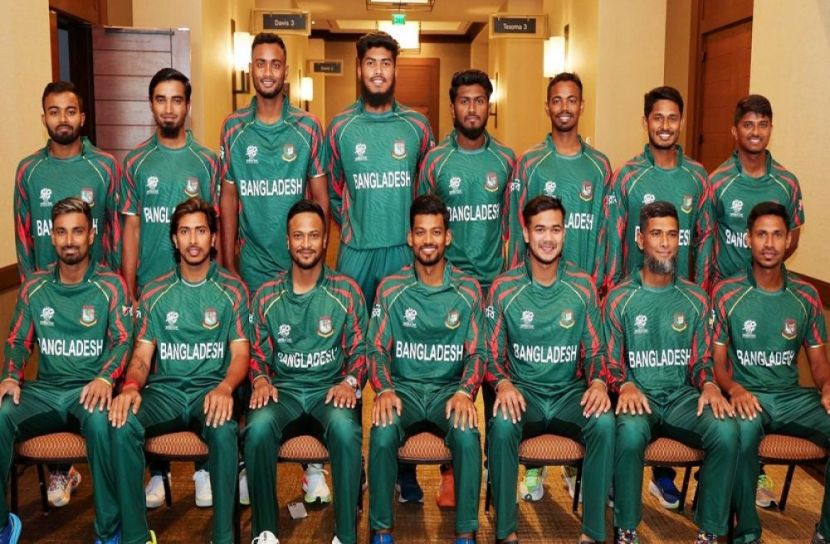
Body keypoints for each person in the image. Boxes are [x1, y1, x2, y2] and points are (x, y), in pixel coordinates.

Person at [219, 31, 330, 497]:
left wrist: (323, 261)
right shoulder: (232, 127)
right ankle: (250, 461)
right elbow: (228, 199)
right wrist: (227, 263)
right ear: (251, 70)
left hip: (300, 269)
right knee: (250, 367)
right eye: (260, 63)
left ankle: (314, 466)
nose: (267, 72)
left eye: (275, 64)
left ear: (286, 71)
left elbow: (321, 199)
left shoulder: (307, 127)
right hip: (251, 269)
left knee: (308, 359)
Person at [327, 30, 435, 503]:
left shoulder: (417, 127)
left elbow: (427, 191)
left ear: (395, 69)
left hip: (403, 253)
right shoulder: (340, 127)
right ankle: (354, 465)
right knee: (349, 356)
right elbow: (332, 191)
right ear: (359, 68)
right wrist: (354, 224)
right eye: (370, 62)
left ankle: (403, 468)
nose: (377, 71)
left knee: (406, 358)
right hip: (356, 253)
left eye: (386, 63)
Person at [109, 197, 250, 544]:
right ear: (174, 239)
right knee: (122, 422)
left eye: (200, 231)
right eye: (185, 232)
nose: (193, 240)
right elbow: (142, 357)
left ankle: (224, 537)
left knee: (223, 429)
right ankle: (136, 537)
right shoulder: (155, 292)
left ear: (213, 238)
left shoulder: (233, 290)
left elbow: (240, 355)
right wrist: (130, 386)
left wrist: (225, 388)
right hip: (165, 393)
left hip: (210, 391)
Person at [13, 81, 122, 505]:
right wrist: (32, 293)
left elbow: (113, 232)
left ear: (82, 117)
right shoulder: (28, 170)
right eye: (54, 111)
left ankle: (111, 484)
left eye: (70, 110)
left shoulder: (105, 167)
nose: (63, 119)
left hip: (95, 292)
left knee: (94, 380)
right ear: (44, 117)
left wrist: (114, 288)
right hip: (47, 295)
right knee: (53, 374)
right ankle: (60, 469)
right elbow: (23, 235)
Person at [0, 197, 132, 544]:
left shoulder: (111, 285)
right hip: (45, 392)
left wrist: (105, 377)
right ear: (52, 236)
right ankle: (2, 526)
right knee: (1, 414)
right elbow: (18, 341)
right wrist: (11, 375)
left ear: (91, 235)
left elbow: (123, 340)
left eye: (77, 231)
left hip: (89, 391)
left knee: (103, 421)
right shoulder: (35, 287)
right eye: (61, 232)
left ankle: (109, 531)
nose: (69, 240)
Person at [605, 201, 737, 544]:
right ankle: (626, 528)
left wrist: (709, 385)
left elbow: (701, 361)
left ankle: (710, 530)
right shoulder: (619, 299)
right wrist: (624, 384)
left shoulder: (696, 298)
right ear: (640, 239)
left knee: (726, 431)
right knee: (629, 434)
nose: (665, 243)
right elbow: (610, 363)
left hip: (682, 399)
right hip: (639, 398)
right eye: (656, 234)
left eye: (672, 235)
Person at [486, 195, 614, 544]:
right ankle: (506, 532)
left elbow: (596, 351)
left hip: (568, 395)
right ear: (526, 234)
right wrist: (503, 384)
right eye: (540, 229)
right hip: (523, 394)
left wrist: (599, 382)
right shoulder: (504, 288)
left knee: (604, 422)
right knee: (501, 426)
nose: (548, 238)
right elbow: (490, 355)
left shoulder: (582, 286)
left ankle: (593, 534)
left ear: (564, 233)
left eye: (555, 229)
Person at [120, 67, 221, 508]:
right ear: (151, 105)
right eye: (160, 99)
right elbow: (131, 229)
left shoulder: (207, 161)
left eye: (176, 99)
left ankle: (203, 470)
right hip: (152, 290)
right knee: (154, 383)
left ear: (188, 105)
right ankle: (158, 473)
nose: (168, 108)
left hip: (199, 288)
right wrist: (129, 288)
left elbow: (215, 226)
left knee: (199, 374)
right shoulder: (135, 162)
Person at [416, 68, 514, 507]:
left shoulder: (507, 160)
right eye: (464, 101)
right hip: (448, 287)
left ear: (489, 106)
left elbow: (514, 225)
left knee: (494, 379)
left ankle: (494, 468)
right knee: (449, 377)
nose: (472, 108)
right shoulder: (436, 161)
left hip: (493, 286)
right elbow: (423, 222)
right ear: (452, 106)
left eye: (479, 100)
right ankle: (450, 471)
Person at [244, 199, 367, 544]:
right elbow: (257, 352)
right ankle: (265, 532)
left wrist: (350, 381)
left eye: (314, 236)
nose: (306, 243)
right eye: (298, 236)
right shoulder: (266, 295)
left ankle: (345, 535)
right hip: (282, 392)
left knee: (345, 430)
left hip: (329, 391)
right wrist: (261, 379)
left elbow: (361, 349)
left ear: (325, 240)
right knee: (257, 428)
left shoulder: (346, 291)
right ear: (287, 241)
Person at [367, 195, 484, 544]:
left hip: (448, 392)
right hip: (403, 390)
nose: (428, 240)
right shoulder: (391, 288)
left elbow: (478, 353)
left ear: (448, 237)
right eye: (420, 232)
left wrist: (465, 392)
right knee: (382, 430)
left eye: (435, 232)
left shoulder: (468, 289)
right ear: (410, 238)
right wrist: (384, 389)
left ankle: (466, 534)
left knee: (467, 434)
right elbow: (375, 348)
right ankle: (381, 532)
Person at [712, 202, 830, 544]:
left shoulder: (806, 295)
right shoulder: (727, 293)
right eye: (761, 234)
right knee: (742, 432)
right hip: (748, 396)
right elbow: (716, 363)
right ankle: (747, 533)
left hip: (792, 398)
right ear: (748, 239)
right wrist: (733, 389)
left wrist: (826, 386)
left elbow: (818, 362)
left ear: (788, 240)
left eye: (777, 235)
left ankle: (825, 532)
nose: (769, 243)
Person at [506, 72, 611, 294]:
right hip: (535, 289)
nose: (564, 107)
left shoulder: (599, 166)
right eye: (557, 100)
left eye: (571, 100)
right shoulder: (529, 163)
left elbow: (605, 231)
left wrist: (600, 285)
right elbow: (517, 229)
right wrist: (515, 284)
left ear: (582, 106)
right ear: (547, 107)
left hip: (584, 290)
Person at [605, 86, 712, 292]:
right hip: (634, 295)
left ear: (681, 122)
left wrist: (700, 291)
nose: (665, 126)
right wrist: (613, 292)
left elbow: (705, 238)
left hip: (681, 297)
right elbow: (613, 240)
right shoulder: (626, 176)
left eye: (672, 118)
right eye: (658, 118)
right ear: (645, 122)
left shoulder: (698, 176)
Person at [708, 95, 804, 287]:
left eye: (763, 124)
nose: (756, 132)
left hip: (766, 288)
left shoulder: (788, 183)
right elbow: (704, 240)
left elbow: (792, 240)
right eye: (748, 125)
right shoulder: (716, 182)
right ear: (735, 131)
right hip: (724, 288)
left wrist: (765, 271)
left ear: (771, 130)